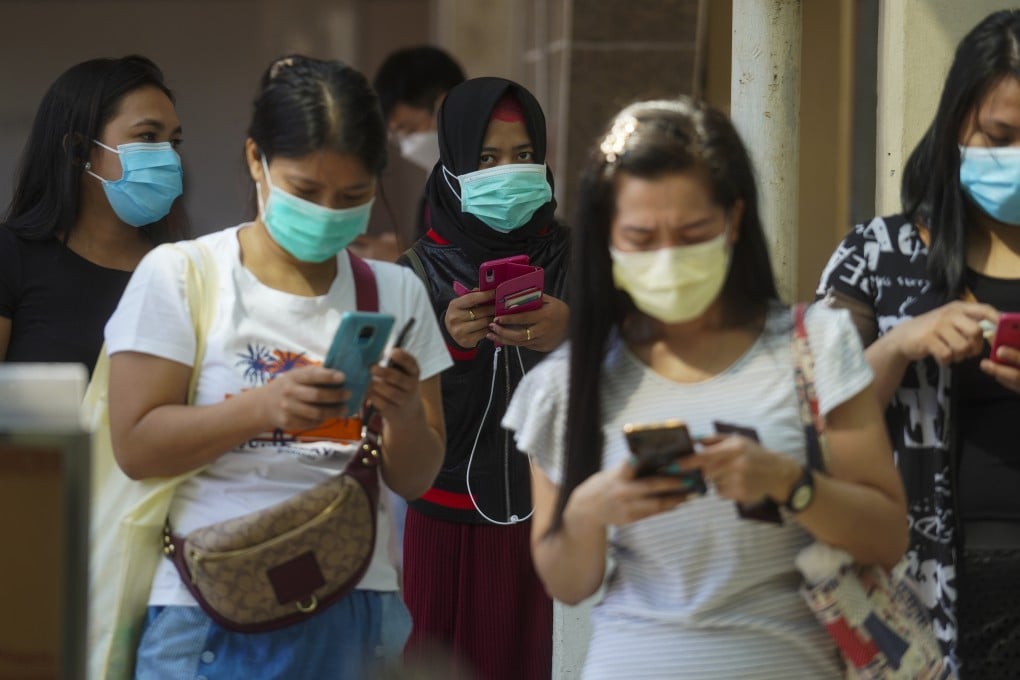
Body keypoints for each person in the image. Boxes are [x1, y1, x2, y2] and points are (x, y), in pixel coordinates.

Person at [502, 98, 908, 679]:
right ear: (607, 240)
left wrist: (788, 484)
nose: (668, 258)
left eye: (693, 233)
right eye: (641, 238)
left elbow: (888, 536)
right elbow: (568, 584)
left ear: (734, 220)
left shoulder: (815, 345)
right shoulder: (568, 385)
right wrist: (591, 510)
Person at [104, 55, 450, 678]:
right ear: (255, 160)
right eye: (305, 190)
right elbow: (135, 445)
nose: (327, 213)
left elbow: (417, 477)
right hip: (207, 606)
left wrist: (399, 413)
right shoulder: (184, 275)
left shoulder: (397, 293)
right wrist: (264, 408)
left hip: (355, 603)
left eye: (352, 196)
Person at [816, 9, 1020, 676]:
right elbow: (814, 409)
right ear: (957, 118)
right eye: (1001, 135)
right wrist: (901, 343)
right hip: (915, 592)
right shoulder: (877, 255)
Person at [398, 77, 569, 680]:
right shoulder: (413, 274)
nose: (509, 173)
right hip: (442, 519)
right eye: (487, 159)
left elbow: (628, 375)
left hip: (552, 517)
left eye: (524, 156)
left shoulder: (577, 259)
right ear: (452, 167)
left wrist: (571, 333)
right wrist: (446, 344)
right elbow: (397, 416)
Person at [0, 55, 185, 375]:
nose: (168, 156)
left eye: (175, 142)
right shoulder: (10, 256)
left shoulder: (181, 270)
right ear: (78, 150)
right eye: (148, 137)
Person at [373, 45, 466, 242]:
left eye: (410, 129)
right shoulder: (432, 191)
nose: (406, 147)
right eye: (396, 135)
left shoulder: (483, 188)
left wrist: (403, 258)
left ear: (444, 106)